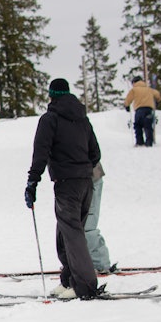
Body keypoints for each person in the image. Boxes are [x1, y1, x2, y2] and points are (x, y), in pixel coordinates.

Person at [24, 78, 101, 300]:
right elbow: (95, 153)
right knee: (65, 233)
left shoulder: (50, 120)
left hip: (67, 185)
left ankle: (84, 286)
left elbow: (40, 152)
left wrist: (32, 182)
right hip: (86, 184)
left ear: (51, 95)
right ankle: (69, 280)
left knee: (72, 235)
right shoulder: (82, 119)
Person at [85, 162, 114, 275]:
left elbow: (94, 151)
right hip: (75, 182)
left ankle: (99, 264)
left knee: (88, 226)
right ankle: (78, 263)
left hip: (89, 179)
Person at [124, 75, 161, 147]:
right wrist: (157, 101)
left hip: (139, 110)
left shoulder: (134, 90)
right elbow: (157, 94)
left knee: (138, 125)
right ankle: (149, 142)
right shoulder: (149, 89)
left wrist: (127, 106)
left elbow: (128, 99)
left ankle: (140, 142)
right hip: (149, 109)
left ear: (134, 82)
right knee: (148, 126)